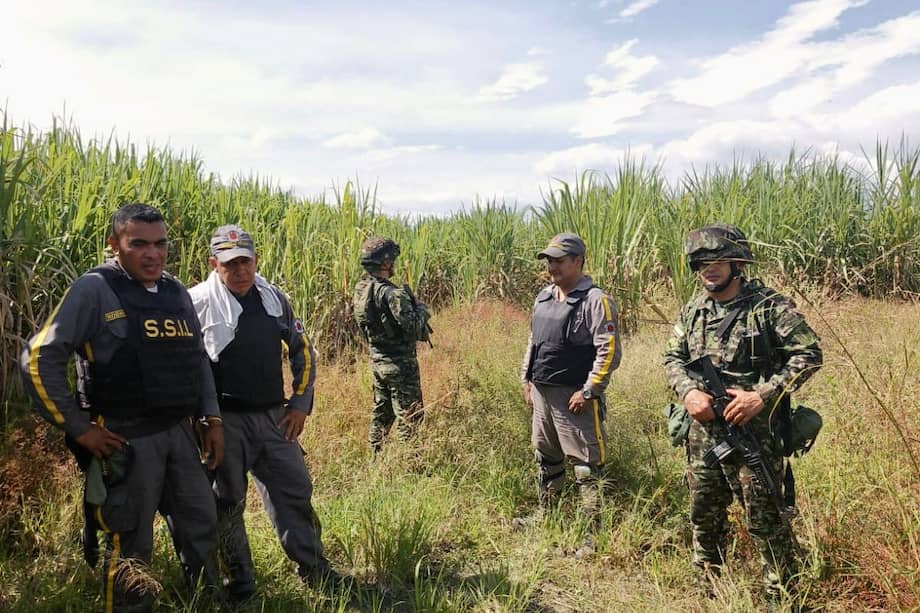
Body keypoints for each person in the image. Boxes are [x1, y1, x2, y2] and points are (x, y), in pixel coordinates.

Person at [20, 203, 225, 612]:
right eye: (139, 244)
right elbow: (38, 358)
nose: (153, 254)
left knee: (201, 524)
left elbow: (196, 357)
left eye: (161, 244)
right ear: (115, 245)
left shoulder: (174, 291)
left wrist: (211, 418)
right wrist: (79, 427)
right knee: (132, 543)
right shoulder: (94, 290)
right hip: (126, 439)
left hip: (180, 434)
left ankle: (205, 601)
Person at [662, 223, 822, 601]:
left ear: (737, 262)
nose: (708, 268)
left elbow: (809, 354)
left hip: (755, 433)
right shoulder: (693, 310)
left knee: (766, 518)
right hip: (703, 433)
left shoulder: (768, 306)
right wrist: (688, 394)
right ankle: (709, 584)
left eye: (717, 259)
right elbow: (673, 358)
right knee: (704, 512)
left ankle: (780, 595)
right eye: (700, 262)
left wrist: (762, 395)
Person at [188, 225, 346, 601]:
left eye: (246, 261)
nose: (240, 270)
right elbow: (187, 368)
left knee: (295, 491)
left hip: (274, 419)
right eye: (230, 264)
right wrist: (204, 421)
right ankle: (240, 586)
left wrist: (300, 403)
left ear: (256, 260)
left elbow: (302, 349)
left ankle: (314, 570)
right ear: (214, 264)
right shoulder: (195, 304)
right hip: (222, 422)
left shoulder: (273, 298)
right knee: (227, 504)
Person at [516, 232, 621, 534]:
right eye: (549, 261)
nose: (552, 267)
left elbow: (609, 351)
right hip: (542, 393)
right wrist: (527, 379)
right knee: (546, 458)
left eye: (559, 261)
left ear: (578, 261)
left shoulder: (596, 301)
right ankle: (547, 516)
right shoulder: (544, 297)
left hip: (575, 397)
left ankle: (591, 533)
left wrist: (589, 391)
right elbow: (533, 341)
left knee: (586, 466)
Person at [351, 237, 431, 454]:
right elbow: (413, 326)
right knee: (410, 418)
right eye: (392, 260)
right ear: (385, 263)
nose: (394, 263)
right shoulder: (392, 294)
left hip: (378, 363)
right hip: (400, 366)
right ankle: (412, 466)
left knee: (382, 415)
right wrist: (422, 309)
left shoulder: (361, 289)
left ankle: (376, 460)